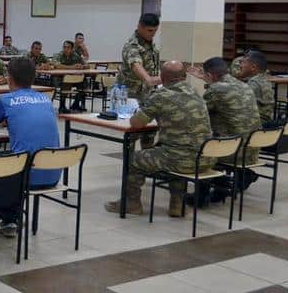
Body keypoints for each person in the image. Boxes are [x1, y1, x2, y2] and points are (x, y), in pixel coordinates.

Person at [105, 61, 212, 217]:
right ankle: (177, 205)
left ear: (162, 77)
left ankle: (131, 203)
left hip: (181, 160)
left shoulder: (161, 96)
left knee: (133, 159)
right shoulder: (194, 92)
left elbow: (136, 123)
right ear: (184, 76)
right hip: (206, 158)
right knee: (175, 150)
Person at [0, 57, 61, 237]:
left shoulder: (5, 100)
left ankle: (10, 220)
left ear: (9, 78)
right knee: (16, 157)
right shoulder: (45, 99)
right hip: (53, 174)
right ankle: (13, 216)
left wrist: (2, 122)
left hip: (25, 178)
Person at [188, 57, 262, 203]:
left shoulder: (215, 89)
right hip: (251, 149)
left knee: (198, 147)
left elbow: (197, 114)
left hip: (231, 150)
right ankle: (238, 177)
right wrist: (208, 80)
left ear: (209, 75)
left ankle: (201, 196)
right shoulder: (244, 85)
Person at [116, 13, 162, 149]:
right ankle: (129, 162)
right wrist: (149, 79)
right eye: (149, 30)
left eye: (155, 31)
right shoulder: (132, 46)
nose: (152, 34)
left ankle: (146, 159)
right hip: (131, 95)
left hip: (148, 94)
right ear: (140, 26)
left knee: (149, 132)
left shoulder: (151, 45)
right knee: (132, 133)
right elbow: (136, 65)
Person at [238, 51, 274, 126]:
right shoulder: (264, 79)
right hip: (265, 122)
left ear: (253, 67)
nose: (240, 65)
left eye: (243, 62)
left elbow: (239, 106)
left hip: (255, 125)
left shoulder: (254, 83)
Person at [52, 40, 87, 113]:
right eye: (64, 47)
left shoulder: (75, 55)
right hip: (58, 78)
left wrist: (82, 66)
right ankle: (62, 106)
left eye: (68, 47)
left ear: (72, 49)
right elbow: (57, 65)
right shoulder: (58, 55)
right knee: (67, 82)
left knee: (84, 82)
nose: (66, 49)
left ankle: (76, 104)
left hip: (72, 78)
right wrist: (72, 67)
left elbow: (87, 65)